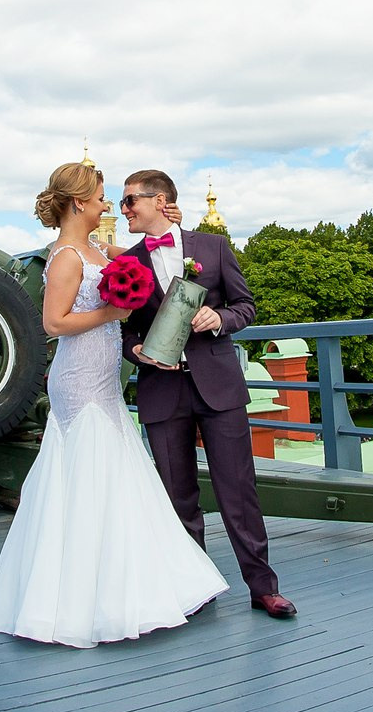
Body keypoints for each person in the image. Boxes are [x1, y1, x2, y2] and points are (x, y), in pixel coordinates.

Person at [0, 162, 226, 647]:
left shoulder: (97, 249)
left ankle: (120, 583)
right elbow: (54, 323)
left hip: (105, 379)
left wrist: (172, 219)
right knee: (89, 474)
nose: (107, 205)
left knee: (112, 473)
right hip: (79, 379)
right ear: (78, 204)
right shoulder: (68, 257)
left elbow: (147, 253)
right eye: (100, 198)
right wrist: (111, 313)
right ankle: (84, 600)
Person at [119, 169, 296, 619]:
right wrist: (137, 351)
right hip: (162, 392)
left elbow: (246, 306)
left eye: (130, 201)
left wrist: (218, 318)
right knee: (178, 497)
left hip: (218, 388)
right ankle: (195, 588)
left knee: (238, 492)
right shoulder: (128, 263)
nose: (123, 210)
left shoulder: (213, 248)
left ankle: (263, 588)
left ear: (160, 201)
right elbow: (124, 332)